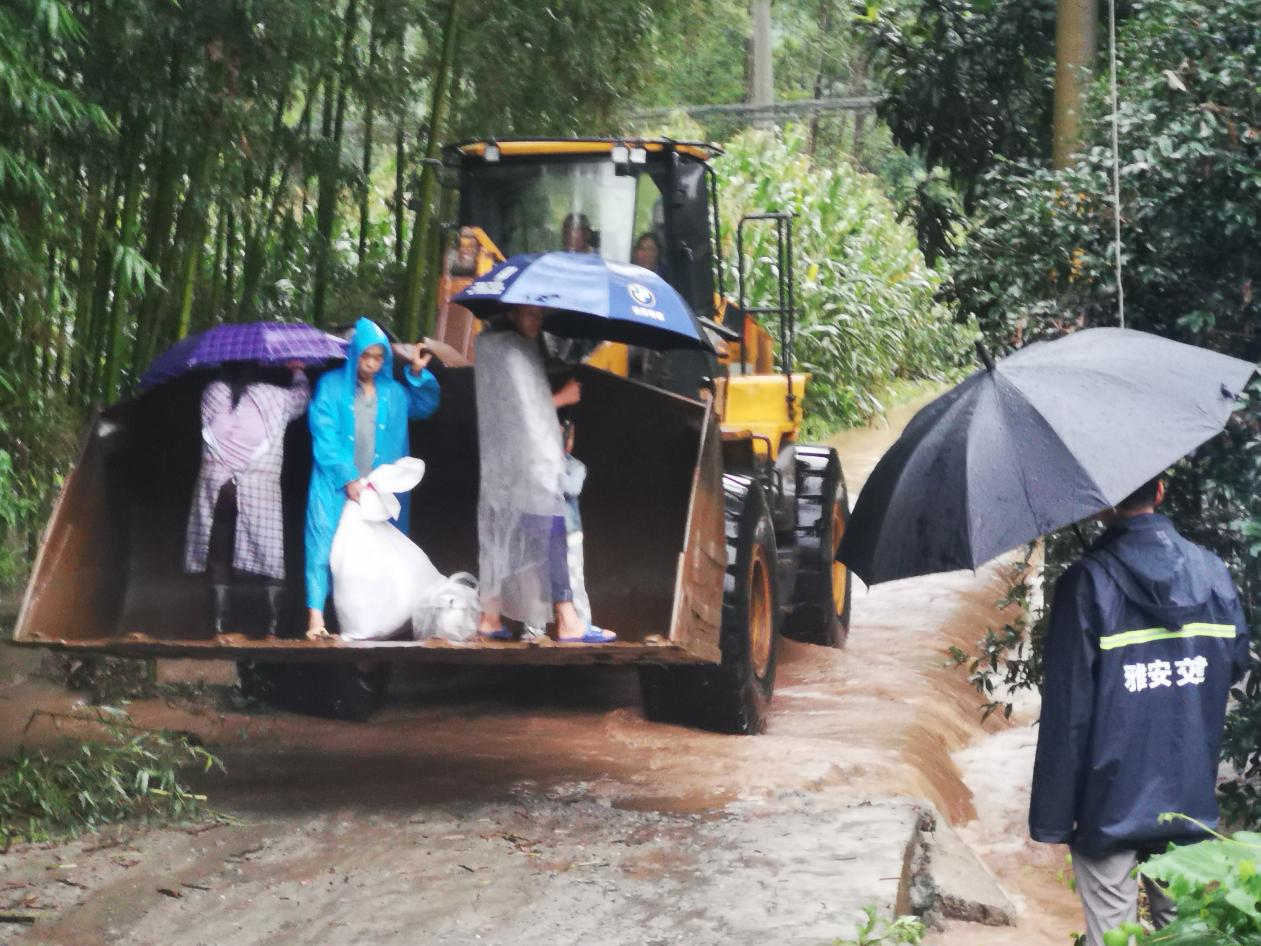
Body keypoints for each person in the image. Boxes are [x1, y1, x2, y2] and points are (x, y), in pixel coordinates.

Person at [1029, 476, 1251, 946]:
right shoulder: (1212, 572)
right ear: (1161, 491)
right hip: (1188, 796)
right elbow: (1231, 664)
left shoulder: (1085, 582)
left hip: (1107, 802)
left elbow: (1069, 709)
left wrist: (1056, 814)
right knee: (1186, 932)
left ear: (1099, 506)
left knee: (1114, 934)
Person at [474, 305, 615, 643]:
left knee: (501, 536)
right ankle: (567, 620)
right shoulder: (512, 353)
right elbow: (523, 410)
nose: (536, 321)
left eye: (539, 315)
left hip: (501, 463)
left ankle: (490, 616)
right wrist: (563, 397)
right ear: (511, 314)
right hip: (530, 463)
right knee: (552, 532)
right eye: (529, 314)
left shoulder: (491, 345)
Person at [304, 317, 440, 639]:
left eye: (379, 357)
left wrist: (417, 374)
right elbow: (324, 432)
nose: (372, 363)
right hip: (335, 485)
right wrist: (347, 476)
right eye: (366, 356)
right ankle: (315, 618)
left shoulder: (393, 393)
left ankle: (376, 625)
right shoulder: (331, 386)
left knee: (379, 557)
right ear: (354, 354)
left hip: (378, 489)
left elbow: (425, 406)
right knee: (322, 546)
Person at [184, 360, 310, 638]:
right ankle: (272, 628)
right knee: (270, 554)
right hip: (257, 488)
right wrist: (298, 371)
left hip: (217, 487)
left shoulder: (212, 392)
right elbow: (302, 399)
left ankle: (218, 627)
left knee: (219, 555)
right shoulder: (274, 396)